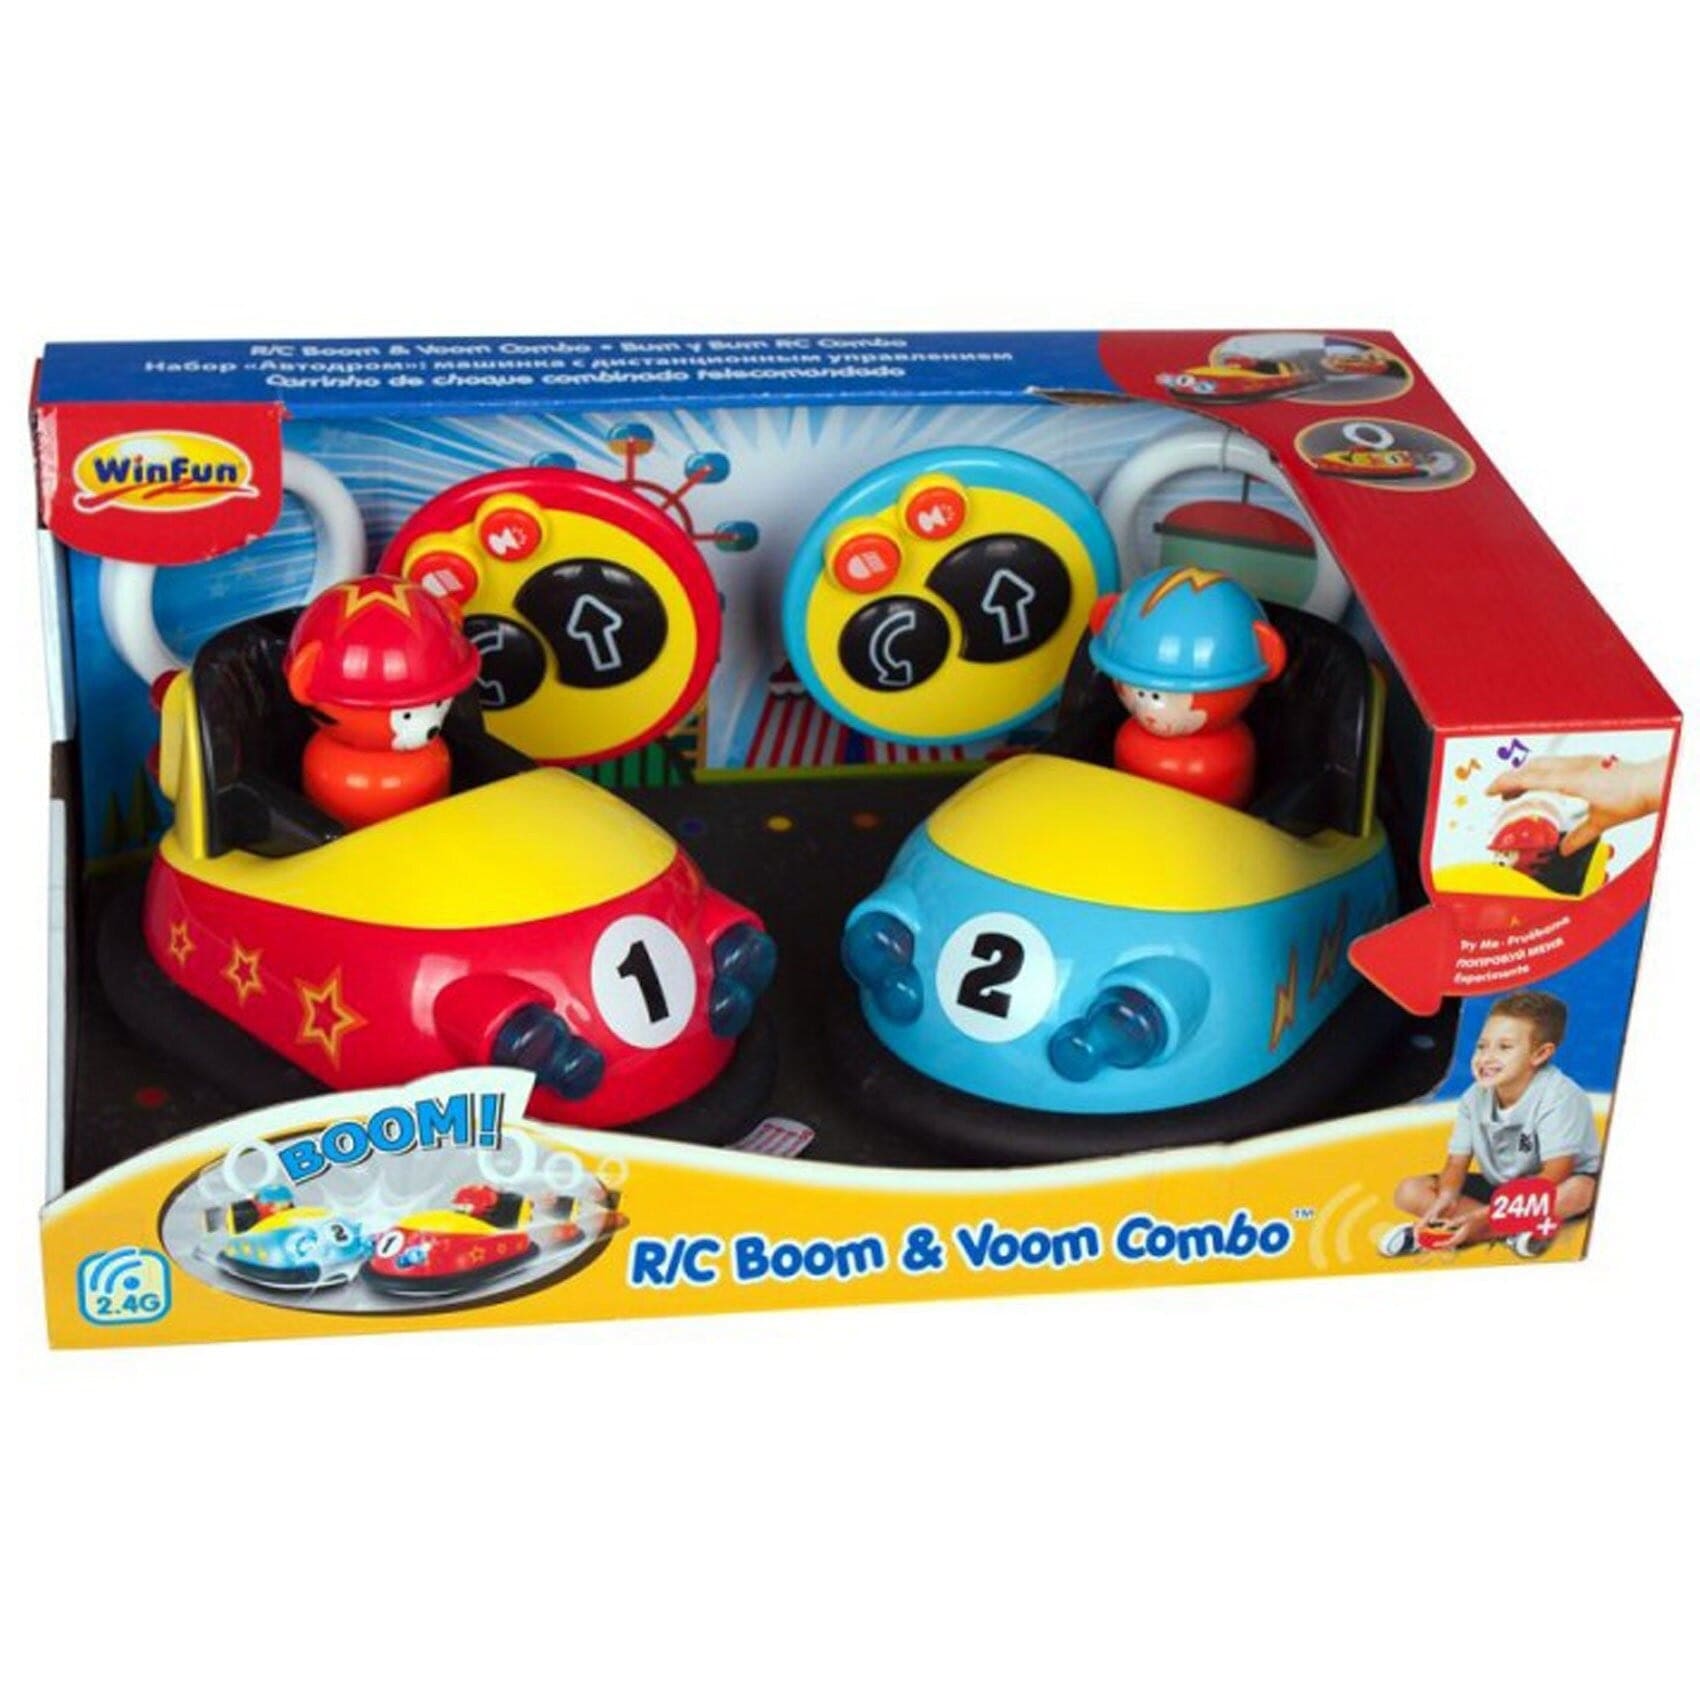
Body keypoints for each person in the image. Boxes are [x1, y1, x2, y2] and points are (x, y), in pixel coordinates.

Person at [1380, 991, 1599, 1259]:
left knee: (1581, 1190)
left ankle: (1457, 1233)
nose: (1486, 1057)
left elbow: (1557, 1172)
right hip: (1502, 1188)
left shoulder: (1560, 1096)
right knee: (1409, 1191)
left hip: (1551, 1186)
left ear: (1540, 1054)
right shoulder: (1473, 1098)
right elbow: (1456, 1163)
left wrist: (1483, 1216)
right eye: (1482, 1046)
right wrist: (1447, 1196)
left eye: (1504, 1048)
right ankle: (1509, 1231)